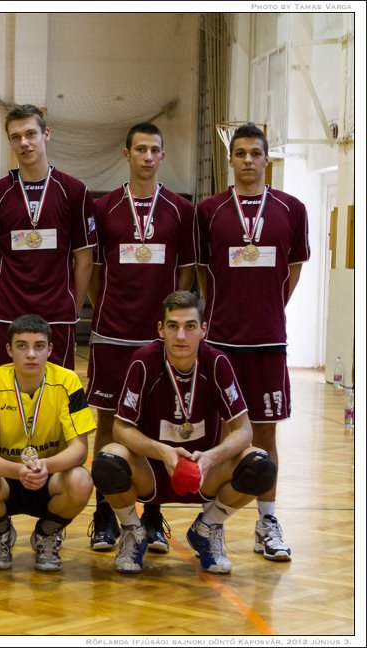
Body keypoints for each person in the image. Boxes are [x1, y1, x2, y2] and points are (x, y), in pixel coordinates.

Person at [91, 291, 277, 574]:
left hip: (204, 471)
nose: (181, 335)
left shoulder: (217, 362)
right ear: (160, 329)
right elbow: (121, 428)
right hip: (151, 470)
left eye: (190, 326)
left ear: (204, 329)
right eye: (173, 326)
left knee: (260, 465)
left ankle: (208, 528)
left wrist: (212, 457)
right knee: (107, 460)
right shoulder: (144, 361)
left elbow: (243, 430)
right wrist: (162, 451)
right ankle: (133, 532)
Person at [195, 123, 309, 562]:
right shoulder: (209, 211)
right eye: (240, 153)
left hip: (268, 342)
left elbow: (293, 270)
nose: (247, 160)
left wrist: (268, 309)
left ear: (266, 159)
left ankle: (267, 522)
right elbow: (203, 271)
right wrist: (222, 309)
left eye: (255, 153)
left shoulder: (292, 209)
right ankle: (213, 523)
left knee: (265, 432)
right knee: (225, 434)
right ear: (230, 160)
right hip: (221, 341)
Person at [86, 123, 196, 553]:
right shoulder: (103, 208)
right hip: (112, 333)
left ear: (163, 156)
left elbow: (185, 275)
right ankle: (103, 513)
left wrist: (168, 324)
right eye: (140, 149)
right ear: (126, 154)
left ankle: (152, 513)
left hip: (160, 339)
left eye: (155, 150)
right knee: (107, 422)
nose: (148, 157)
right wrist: (106, 308)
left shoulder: (181, 210)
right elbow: (94, 272)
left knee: (155, 422)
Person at [0, 314, 95, 572]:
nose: (31, 354)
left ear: (50, 349)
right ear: (9, 349)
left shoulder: (68, 382)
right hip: (4, 477)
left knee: (80, 480)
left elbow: (80, 450)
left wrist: (45, 465)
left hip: (49, 476)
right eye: (22, 346)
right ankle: (0, 532)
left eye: (39, 346)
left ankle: (47, 533)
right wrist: (17, 471)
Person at [0, 104, 96, 374]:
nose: (24, 142)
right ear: (10, 142)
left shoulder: (74, 191)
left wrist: (72, 309)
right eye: (16, 137)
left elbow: (84, 260)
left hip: (56, 315)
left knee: (56, 391)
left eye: (30, 134)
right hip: (6, 313)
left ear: (46, 134)